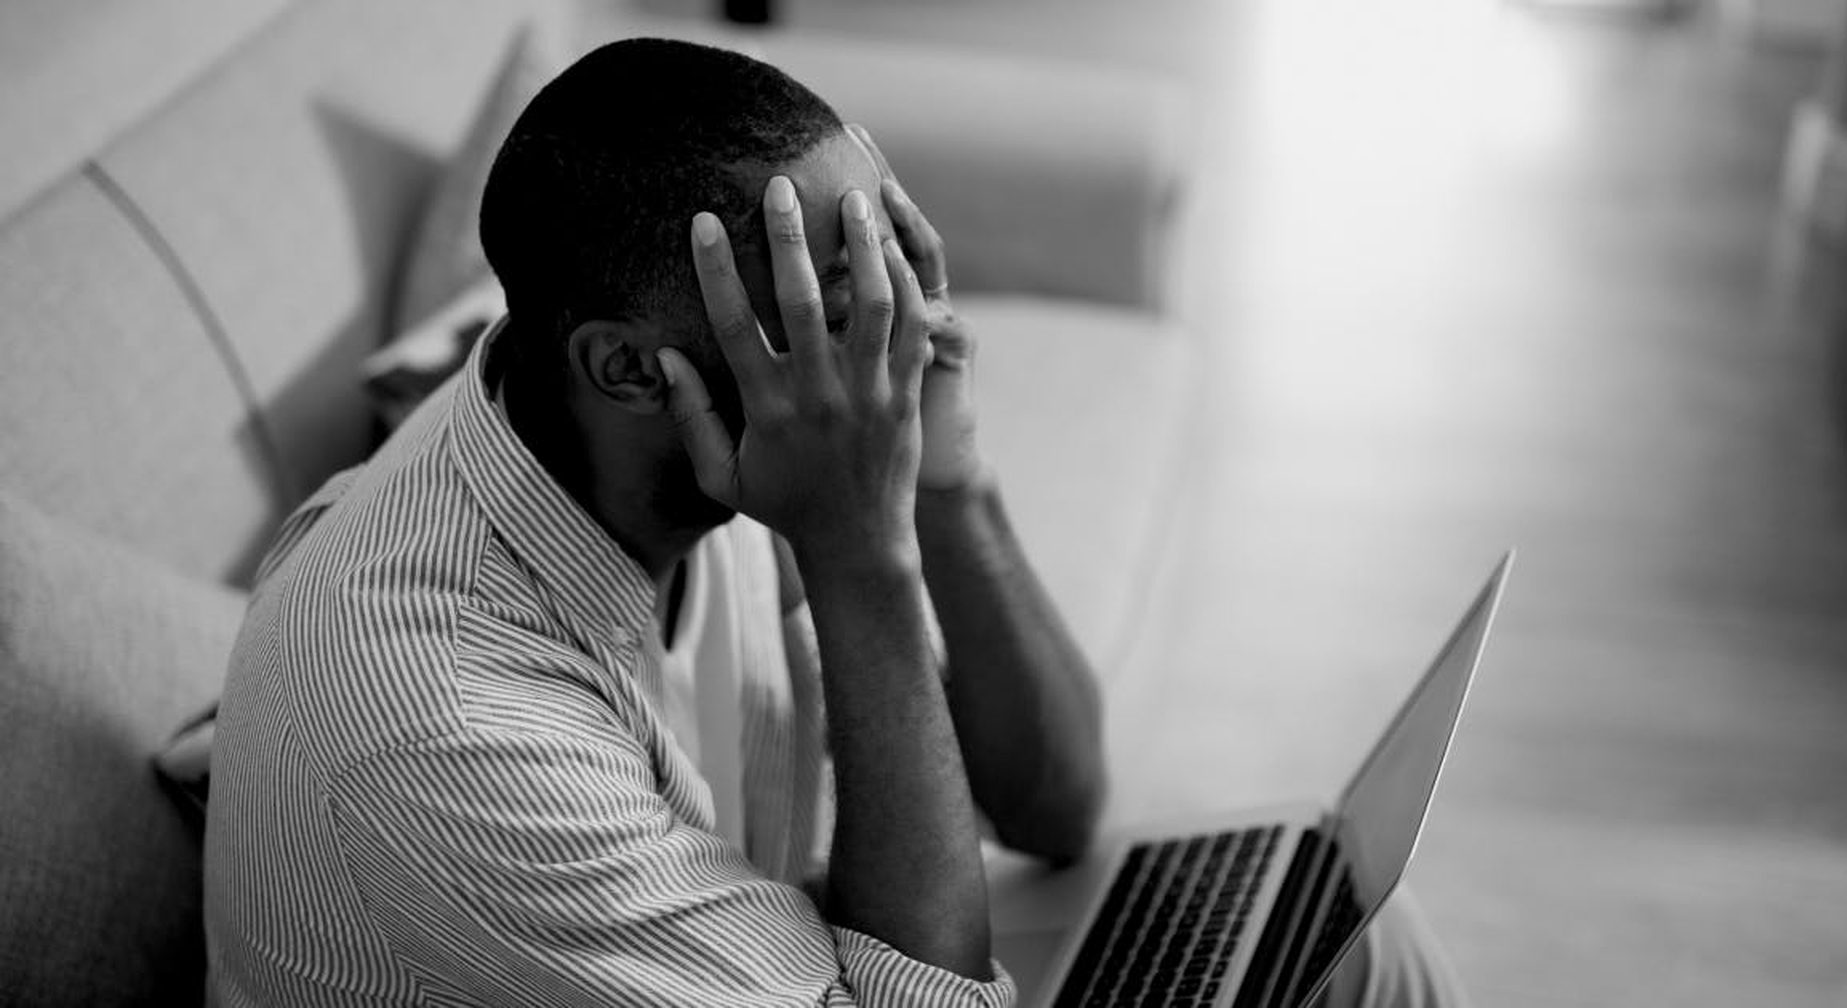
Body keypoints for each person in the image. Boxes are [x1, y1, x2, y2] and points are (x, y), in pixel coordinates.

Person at [204, 37, 1463, 1007]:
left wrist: (943, 477)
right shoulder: (446, 729)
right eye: (831, 313)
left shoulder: (689, 444)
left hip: (772, 943)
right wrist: (861, 550)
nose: (890, 348)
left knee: (1349, 935)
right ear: (628, 369)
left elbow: (1056, 803)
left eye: (885, 275)